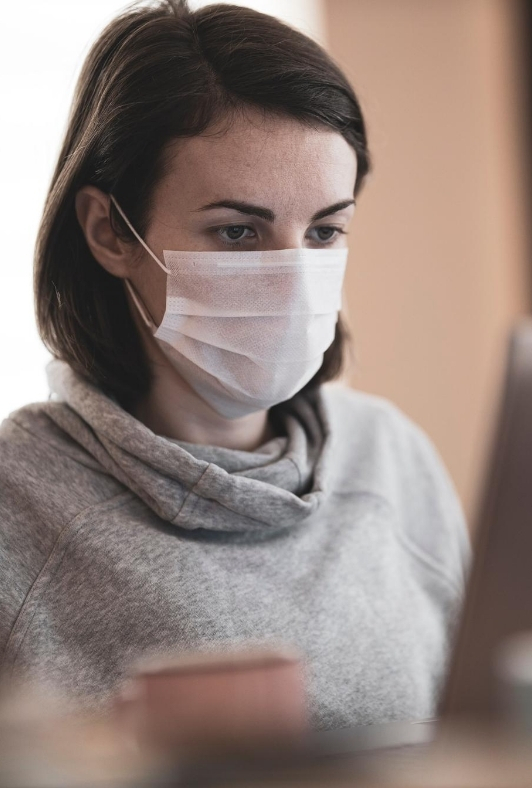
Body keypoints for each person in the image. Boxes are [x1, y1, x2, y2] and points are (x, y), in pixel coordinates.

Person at [0, 0, 469, 730]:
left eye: (324, 230)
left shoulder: (392, 460)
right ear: (109, 232)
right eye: (238, 232)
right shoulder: (16, 504)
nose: (291, 276)